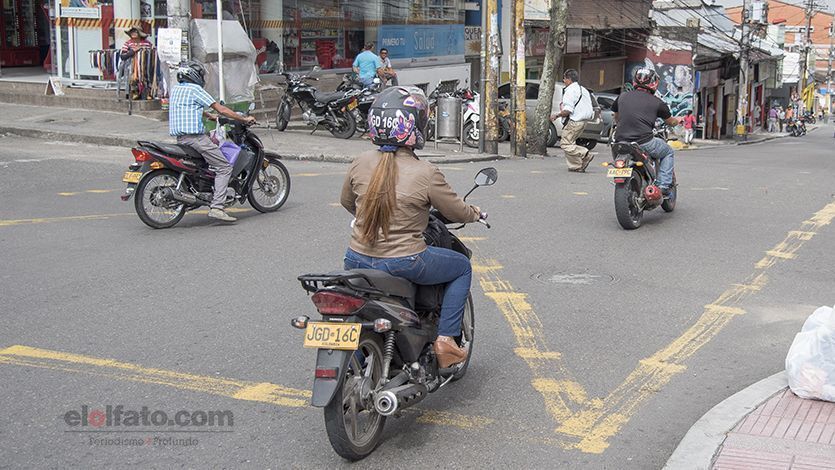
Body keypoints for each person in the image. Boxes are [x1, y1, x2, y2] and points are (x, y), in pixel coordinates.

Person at [340, 86, 483, 368]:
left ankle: (356, 361)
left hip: (354, 258)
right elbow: (455, 210)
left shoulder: (360, 162)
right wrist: (474, 213)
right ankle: (446, 340)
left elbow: (348, 203)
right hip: (405, 261)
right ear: (417, 125)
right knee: (461, 267)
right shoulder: (425, 172)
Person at [169, 61, 256, 223]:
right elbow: (221, 109)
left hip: (181, 139)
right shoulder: (195, 89)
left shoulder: (176, 89)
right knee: (224, 167)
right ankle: (217, 207)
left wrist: (208, 116)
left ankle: (207, 190)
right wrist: (243, 118)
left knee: (211, 156)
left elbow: (186, 108)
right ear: (195, 76)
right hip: (196, 139)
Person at [611, 67, 680, 195]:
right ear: (654, 83)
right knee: (668, 152)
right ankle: (663, 186)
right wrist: (678, 120)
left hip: (619, 141)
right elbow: (670, 121)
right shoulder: (657, 102)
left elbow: (616, 116)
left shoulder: (622, 96)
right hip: (644, 142)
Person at [550, 69, 596, 172]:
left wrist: (556, 115)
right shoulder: (583, 89)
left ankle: (585, 154)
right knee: (570, 142)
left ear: (569, 79)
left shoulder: (570, 91)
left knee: (565, 144)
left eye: (564, 78)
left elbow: (568, 110)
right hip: (584, 121)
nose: (563, 80)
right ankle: (576, 165)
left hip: (575, 122)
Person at [119, 27, 153, 100]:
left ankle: (148, 92)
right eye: (132, 32)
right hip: (132, 65)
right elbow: (123, 56)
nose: (133, 34)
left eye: (135, 32)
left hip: (145, 64)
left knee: (147, 77)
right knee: (133, 77)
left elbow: (152, 53)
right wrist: (133, 51)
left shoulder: (147, 43)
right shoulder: (128, 43)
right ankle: (135, 92)